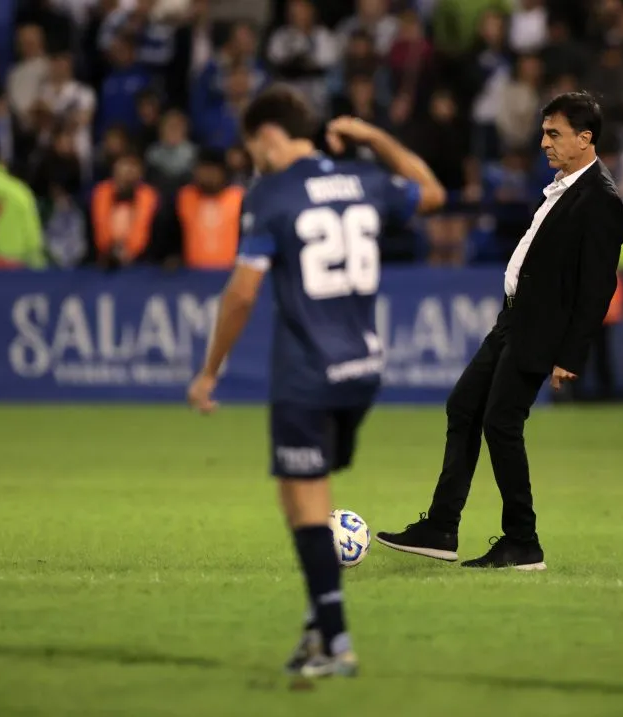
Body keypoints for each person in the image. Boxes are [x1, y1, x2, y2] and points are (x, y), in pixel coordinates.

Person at [186, 85, 445, 679]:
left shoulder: (271, 192)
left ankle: (335, 644)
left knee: (302, 505)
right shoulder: (364, 179)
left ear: (270, 135)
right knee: (313, 495)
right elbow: (432, 192)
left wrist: (208, 372)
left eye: (255, 147)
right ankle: (317, 631)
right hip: (364, 369)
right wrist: (375, 138)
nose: (254, 160)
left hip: (307, 372)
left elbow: (243, 291)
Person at [375, 91, 623, 570]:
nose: (543, 142)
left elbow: (598, 286)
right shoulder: (563, 186)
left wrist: (571, 354)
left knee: (501, 423)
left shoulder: (601, 200)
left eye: (554, 133)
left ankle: (522, 541)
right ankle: (442, 527)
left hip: (540, 328)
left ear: (585, 138)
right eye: (544, 132)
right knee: (464, 407)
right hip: (512, 320)